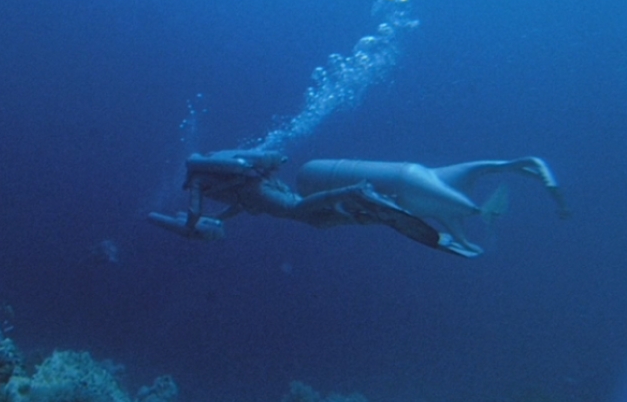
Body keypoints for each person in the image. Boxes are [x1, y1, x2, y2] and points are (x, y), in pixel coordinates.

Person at [148, 149, 568, 258]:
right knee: (318, 220)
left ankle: (356, 195)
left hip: (272, 196)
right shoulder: (226, 177)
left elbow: (195, 218)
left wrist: (183, 225)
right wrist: (224, 220)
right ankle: (369, 210)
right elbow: (243, 201)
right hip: (271, 191)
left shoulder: (200, 180)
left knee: (302, 213)